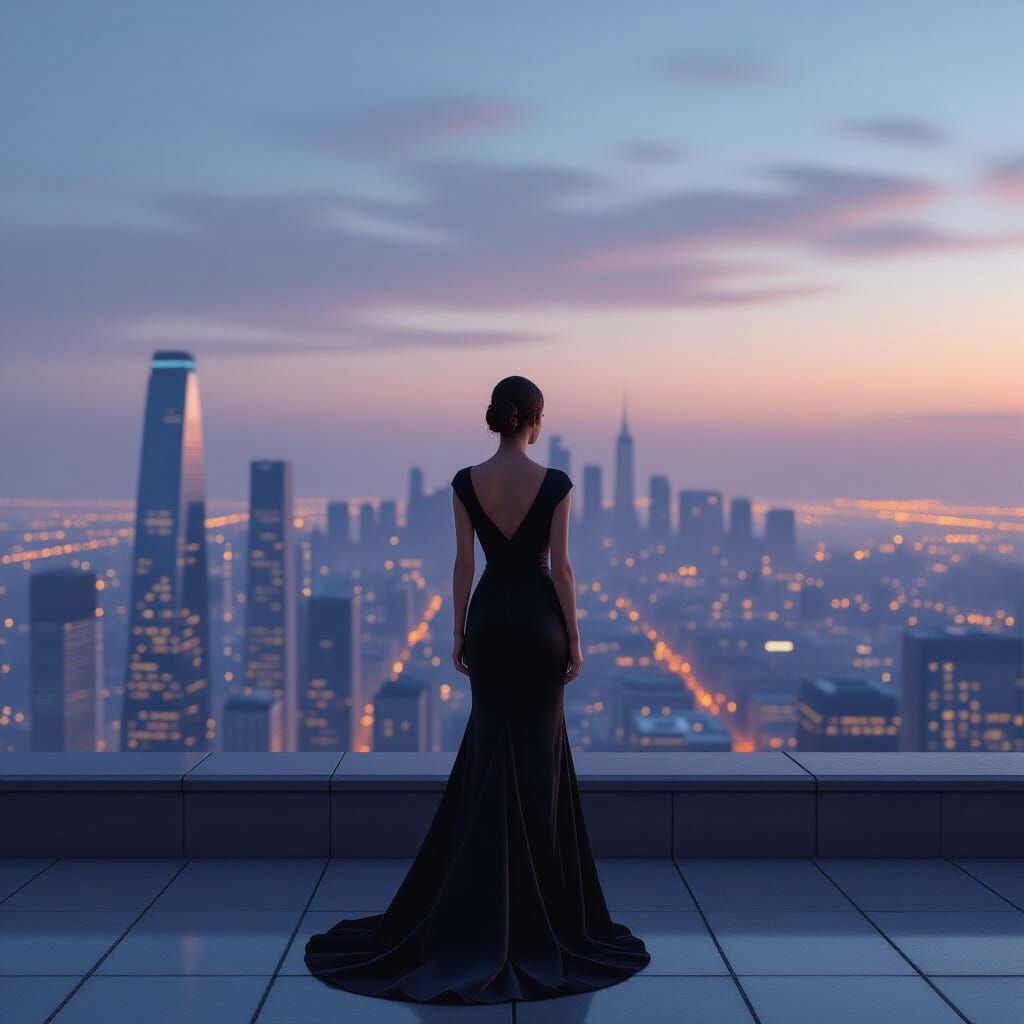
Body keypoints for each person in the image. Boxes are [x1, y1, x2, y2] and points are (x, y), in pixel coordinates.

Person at [304, 375, 651, 1003]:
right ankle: (541, 911)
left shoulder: (466, 482)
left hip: (490, 619)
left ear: (497, 419)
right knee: (540, 761)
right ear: (536, 420)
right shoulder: (557, 485)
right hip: (540, 621)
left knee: (491, 753)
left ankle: (478, 902)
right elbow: (563, 568)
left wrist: (458, 632)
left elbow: (464, 565)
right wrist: (574, 637)